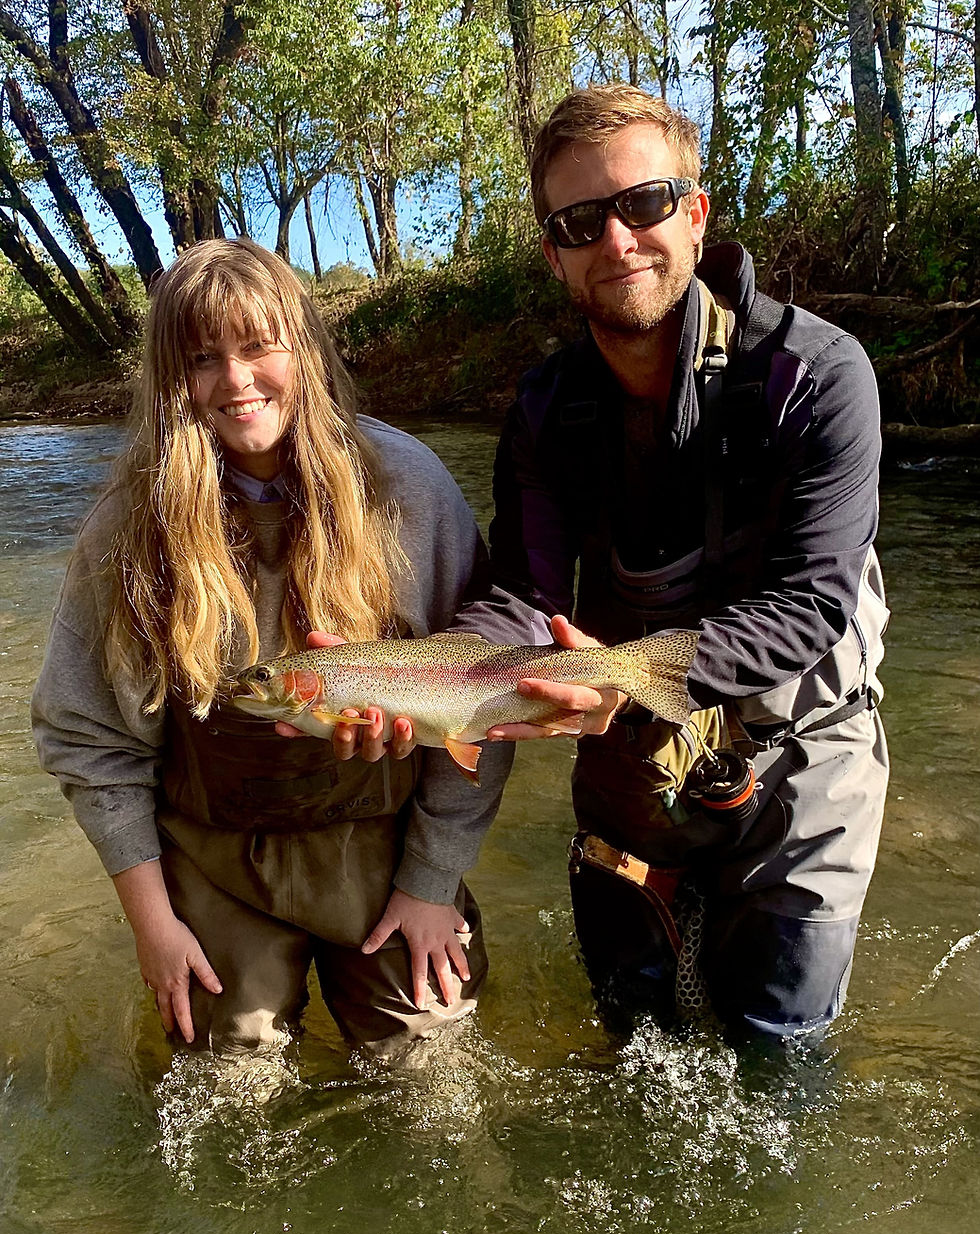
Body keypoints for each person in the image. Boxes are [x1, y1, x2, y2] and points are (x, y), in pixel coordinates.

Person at [31, 237, 529, 1059]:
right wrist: (153, 925)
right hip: (210, 854)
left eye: (262, 345)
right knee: (228, 1087)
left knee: (434, 1077)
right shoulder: (125, 529)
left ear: (305, 348)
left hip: (383, 840)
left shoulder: (410, 486)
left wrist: (433, 883)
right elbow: (91, 742)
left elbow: (477, 698)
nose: (236, 380)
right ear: (172, 380)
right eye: (203, 358)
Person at [486, 85, 890, 1039]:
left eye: (645, 204)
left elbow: (808, 605)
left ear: (695, 215)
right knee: (632, 1036)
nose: (618, 239)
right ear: (555, 254)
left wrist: (613, 677)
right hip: (627, 743)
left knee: (775, 1047)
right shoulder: (546, 412)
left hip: (802, 742)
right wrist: (400, 683)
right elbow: (521, 598)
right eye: (582, 221)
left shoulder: (817, 376)